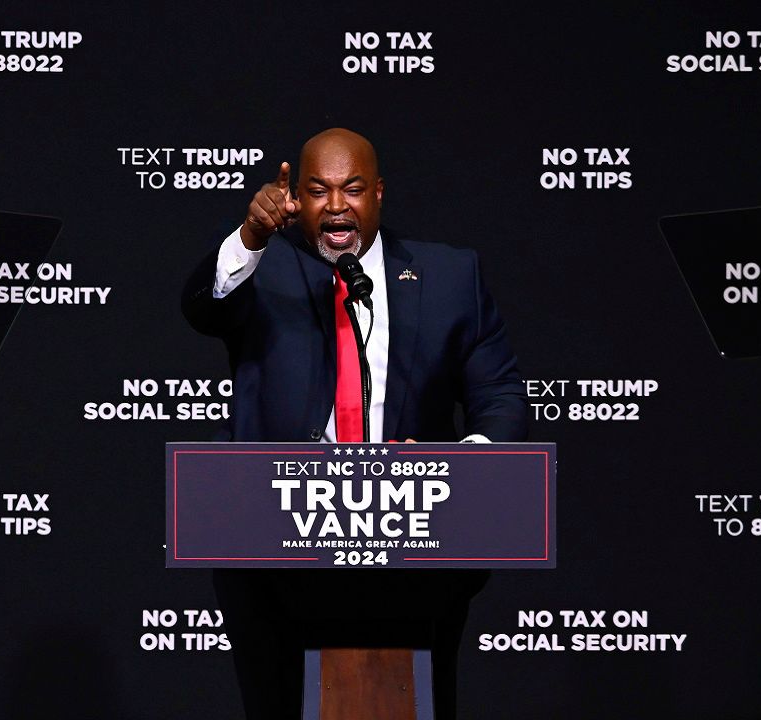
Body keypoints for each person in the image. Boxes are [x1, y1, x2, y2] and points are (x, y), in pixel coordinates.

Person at [181, 128, 526, 719]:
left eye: (353, 190)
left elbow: (499, 395)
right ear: (297, 202)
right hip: (275, 554)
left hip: (414, 548)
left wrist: (462, 465)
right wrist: (250, 236)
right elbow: (204, 308)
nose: (337, 206)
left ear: (380, 194)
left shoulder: (449, 277)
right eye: (317, 191)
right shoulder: (264, 266)